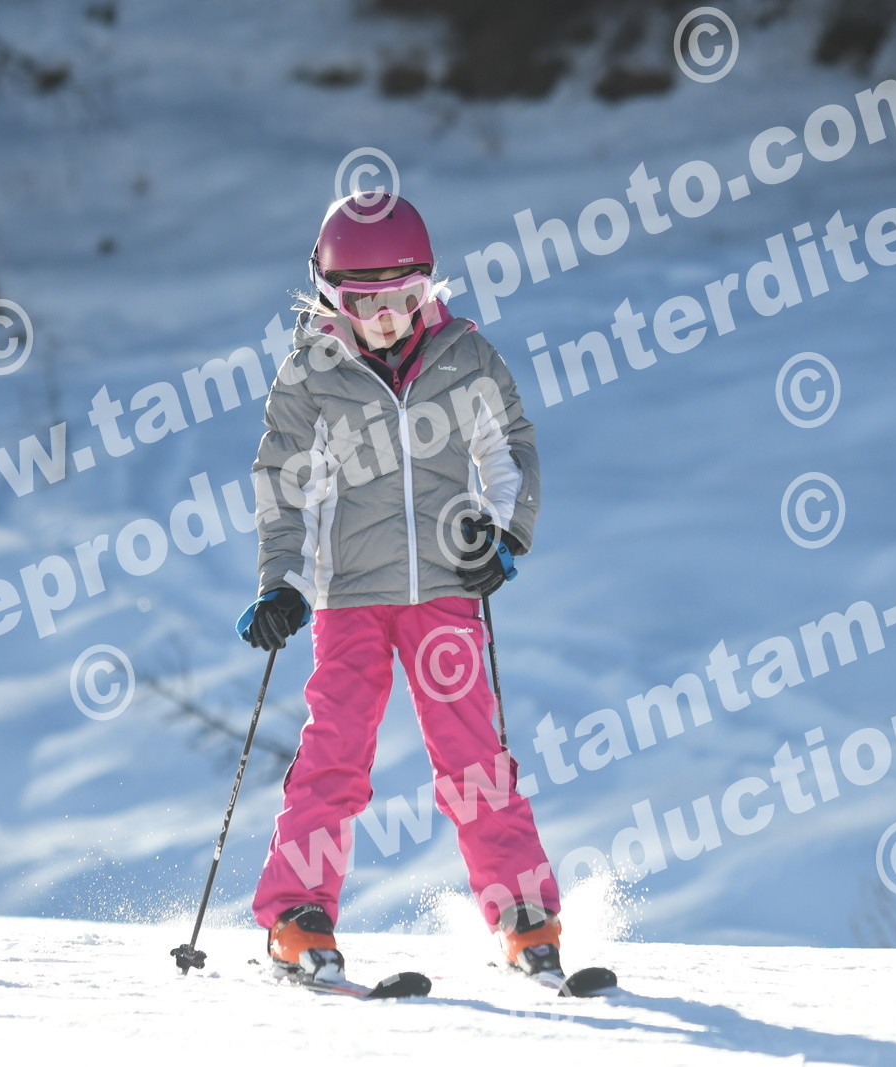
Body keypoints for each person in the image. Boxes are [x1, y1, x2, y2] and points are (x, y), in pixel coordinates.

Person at [236, 191, 563, 985]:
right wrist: (282, 582)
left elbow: (508, 448)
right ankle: (297, 913)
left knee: (474, 754)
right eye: (364, 303)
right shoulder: (311, 375)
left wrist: (502, 535)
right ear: (328, 297)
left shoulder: (464, 357)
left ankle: (523, 914)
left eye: (405, 299)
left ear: (429, 287)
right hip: (349, 597)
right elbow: (284, 481)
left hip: (445, 589)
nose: (386, 320)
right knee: (335, 750)